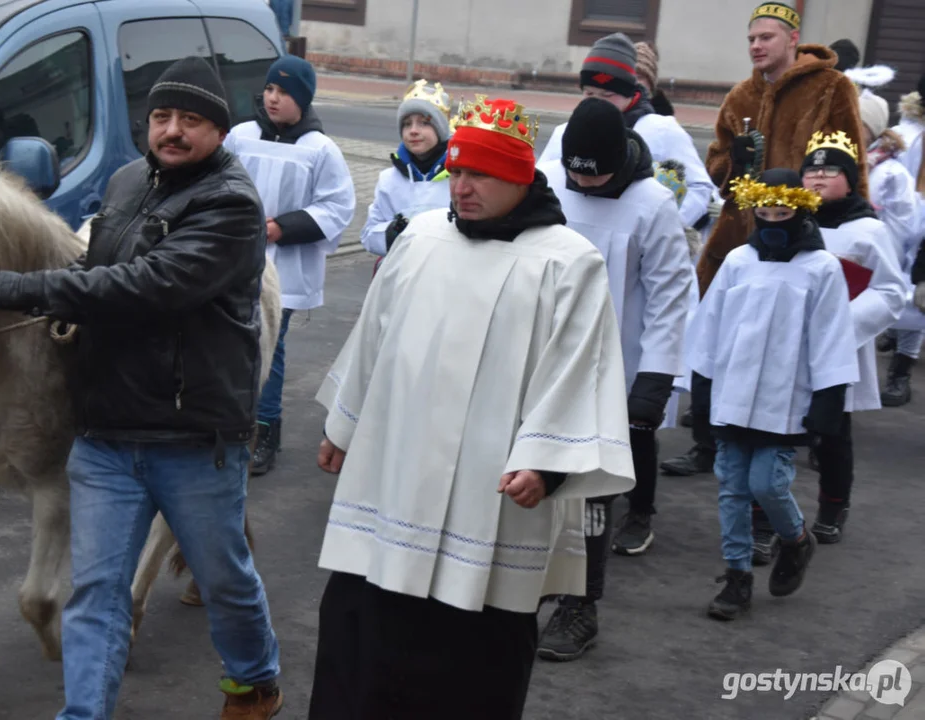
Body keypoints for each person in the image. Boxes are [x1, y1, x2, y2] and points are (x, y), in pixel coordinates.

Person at [0, 56, 283, 719]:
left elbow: (148, 286)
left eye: (190, 120)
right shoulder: (128, 180)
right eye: (162, 116)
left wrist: (18, 288)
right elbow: (96, 265)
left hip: (193, 436)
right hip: (107, 432)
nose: (171, 130)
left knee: (224, 582)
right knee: (97, 592)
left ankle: (254, 678)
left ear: (218, 132)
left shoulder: (231, 204)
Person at [308, 94, 636, 719]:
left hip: (492, 498)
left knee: (470, 661)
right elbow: (373, 336)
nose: (460, 187)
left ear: (519, 175)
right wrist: (343, 424)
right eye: (456, 171)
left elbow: (578, 369)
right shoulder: (423, 238)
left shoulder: (569, 262)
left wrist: (547, 464)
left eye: (478, 174)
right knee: (363, 632)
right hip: (394, 480)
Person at [662, 1, 867, 479]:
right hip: (738, 238)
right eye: (751, 39)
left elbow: (849, 163)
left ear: (793, 40)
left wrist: (854, 219)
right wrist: (733, 160)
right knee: (715, 339)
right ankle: (708, 443)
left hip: (802, 237)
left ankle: (791, 442)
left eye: (766, 37)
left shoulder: (831, 89)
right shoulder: (739, 97)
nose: (756, 46)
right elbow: (714, 173)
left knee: (795, 348)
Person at [534, 97, 692, 659]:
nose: (585, 182)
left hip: (613, 367)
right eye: (576, 172)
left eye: (595, 172)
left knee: (592, 491)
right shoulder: (548, 181)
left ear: (619, 161)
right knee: (532, 480)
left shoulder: (652, 205)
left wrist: (655, 379)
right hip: (542, 359)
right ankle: (522, 589)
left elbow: (672, 295)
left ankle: (581, 608)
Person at [687, 169, 859, 620]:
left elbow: (831, 337)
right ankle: (737, 575)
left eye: (782, 213)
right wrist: (702, 389)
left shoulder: (821, 269)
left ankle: (797, 539)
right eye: (764, 214)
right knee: (732, 488)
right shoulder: (740, 262)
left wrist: (828, 400)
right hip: (732, 393)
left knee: (767, 483)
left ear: (798, 213)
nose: (772, 221)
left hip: (784, 402)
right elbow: (709, 326)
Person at [224, 55, 356, 476]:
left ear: (303, 99)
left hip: (285, 265)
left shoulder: (320, 150)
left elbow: (338, 206)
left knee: (269, 345)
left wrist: (282, 227)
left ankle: (265, 430)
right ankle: (226, 422)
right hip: (233, 257)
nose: (273, 98)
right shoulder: (241, 137)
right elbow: (215, 182)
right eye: (269, 90)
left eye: (283, 92)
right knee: (228, 340)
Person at [789, 131, 906, 544]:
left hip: (839, 345)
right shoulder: (789, 220)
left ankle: (833, 505)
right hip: (788, 341)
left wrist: (841, 323)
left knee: (833, 432)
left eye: (830, 170)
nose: (818, 179)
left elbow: (891, 290)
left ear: (850, 178)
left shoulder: (867, 231)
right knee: (777, 429)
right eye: (811, 171)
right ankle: (770, 515)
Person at [539, 33, 716, 232]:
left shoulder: (662, 130)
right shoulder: (564, 132)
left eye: (608, 95)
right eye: (589, 93)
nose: (598, 101)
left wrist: (667, 228)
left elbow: (699, 188)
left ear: (629, 92)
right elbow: (541, 184)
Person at [858, 90, 924, 407]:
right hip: (886, 236)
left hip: (906, 236)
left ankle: (900, 373)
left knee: (912, 302)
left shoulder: (891, 158)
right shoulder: (900, 135)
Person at [360, 79, 453, 270]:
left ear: (441, 129)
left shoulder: (457, 177)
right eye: (407, 124)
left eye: (424, 123)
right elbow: (369, 233)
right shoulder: (389, 179)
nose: (413, 131)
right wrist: (391, 232)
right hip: (398, 272)